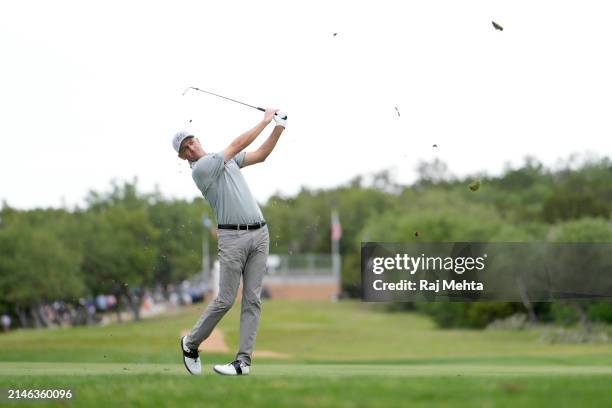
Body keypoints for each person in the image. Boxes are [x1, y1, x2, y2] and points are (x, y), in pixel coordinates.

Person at [173, 108, 286, 376]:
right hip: (232, 238)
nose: (191, 147)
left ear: (197, 139)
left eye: (192, 141)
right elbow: (238, 144)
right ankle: (191, 343)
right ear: (182, 156)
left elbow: (260, 155)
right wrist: (265, 120)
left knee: (252, 300)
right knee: (225, 299)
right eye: (185, 148)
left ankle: (243, 362)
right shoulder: (202, 168)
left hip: (260, 233)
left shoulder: (228, 160)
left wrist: (278, 129)